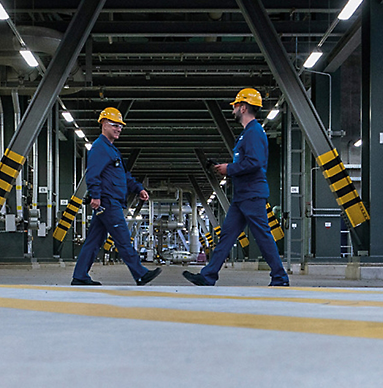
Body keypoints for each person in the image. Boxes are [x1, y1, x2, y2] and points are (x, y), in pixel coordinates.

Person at [183, 88, 289, 287]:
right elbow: (248, 162)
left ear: (243, 107)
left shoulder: (254, 132)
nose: (233, 109)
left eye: (235, 105)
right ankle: (208, 276)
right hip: (242, 196)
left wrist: (228, 168)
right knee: (227, 236)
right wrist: (226, 168)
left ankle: (280, 277)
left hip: (252, 194)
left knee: (263, 236)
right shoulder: (247, 134)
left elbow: (255, 162)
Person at [71, 107, 161, 286]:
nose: (119, 129)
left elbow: (124, 176)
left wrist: (138, 188)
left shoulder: (112, 150)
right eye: (115, 125)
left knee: (93, 241)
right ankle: (140, 273)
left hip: (111, 201)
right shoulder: (99, 148)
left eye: (120, 126)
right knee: (122, 237)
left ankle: (80, 276)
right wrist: (95, 196)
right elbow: (92, 174)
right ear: (103, 124)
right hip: (107, 202)